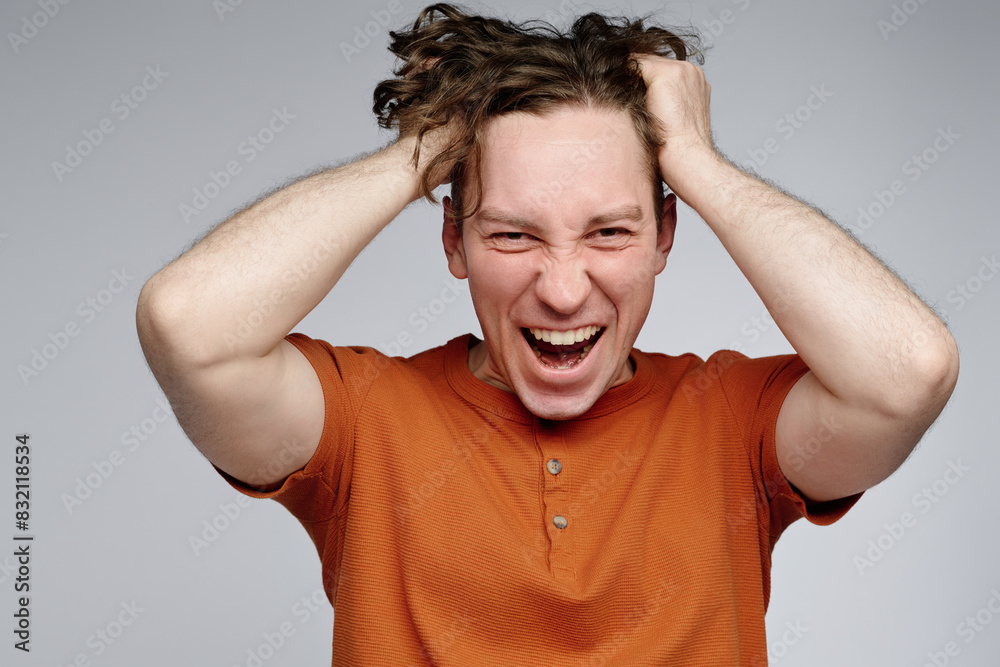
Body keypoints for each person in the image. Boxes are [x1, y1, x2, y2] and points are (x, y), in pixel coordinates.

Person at [135, 3, 959, 664]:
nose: (563, 290)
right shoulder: (364, 422)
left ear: (667, 235)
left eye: (609, 233)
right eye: (511, 235)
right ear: (453, 240)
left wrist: (700, 163)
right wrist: (424, 150)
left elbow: (909, 371)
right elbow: (188, 325)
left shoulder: (733, 423)